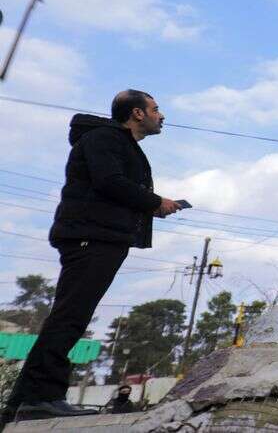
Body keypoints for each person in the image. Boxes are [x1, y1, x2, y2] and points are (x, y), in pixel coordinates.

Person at [2, 91, 185, 424]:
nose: (162, 115)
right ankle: (42, 397)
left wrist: (153, 206)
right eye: (156, 109)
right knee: (70, 318)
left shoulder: (120, 144)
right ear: (137, 113)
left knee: (69, 316)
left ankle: (23, 401)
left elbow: (115, 188)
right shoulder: (106, 139)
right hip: (92, 236)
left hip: (100, 236)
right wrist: (154, 201)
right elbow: (109, 182)